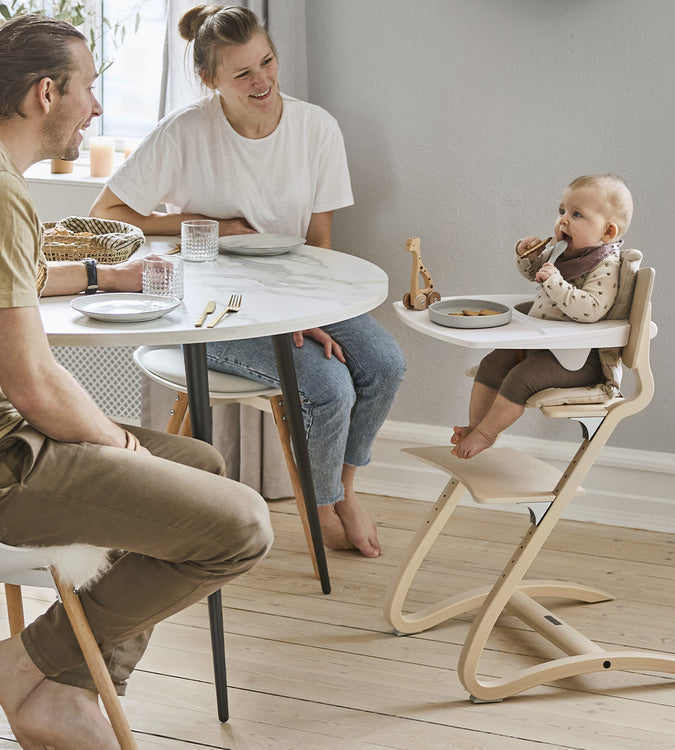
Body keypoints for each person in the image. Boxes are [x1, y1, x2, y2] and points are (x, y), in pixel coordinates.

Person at [0, 15, 273, 749]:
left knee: (203, 465)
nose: (95, 108)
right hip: (6, 461)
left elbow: (13, 283)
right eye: (89, 89)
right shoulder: (3, 198)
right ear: (45, 92)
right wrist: (119, 441)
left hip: (13, 439)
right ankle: (29, 666)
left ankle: (75, 686)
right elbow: (31, 383)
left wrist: (100, 274)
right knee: (241, 526)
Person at [90, 4, 406, 559]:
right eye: (242, 73)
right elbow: (107, 215)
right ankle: (323, 501)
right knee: (328, 387)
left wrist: (308, 316)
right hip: (209, 308)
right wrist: (202, 224)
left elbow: (320, 244)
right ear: (211, 81)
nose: (262, 81)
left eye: (267, 62)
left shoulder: (316, 128)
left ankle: (341, 494)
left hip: (298, 293)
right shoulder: (185, 132)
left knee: (385, 363)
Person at [451, 174, 634, 459]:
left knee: (519, 378)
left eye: (576, 214)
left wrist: (555, 281)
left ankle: (486, 434)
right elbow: (535, 273)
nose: (563, 220)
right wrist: (528, 255)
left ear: (608, 232)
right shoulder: (565, 251)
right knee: (493, 362)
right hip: (542, 344)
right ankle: (477, 426)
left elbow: (591, 309)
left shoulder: (606, 265)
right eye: (562, 211)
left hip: (579, 359)